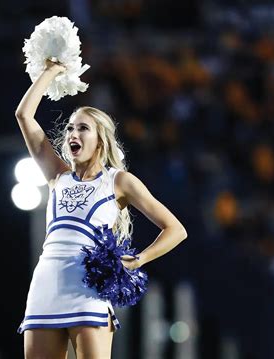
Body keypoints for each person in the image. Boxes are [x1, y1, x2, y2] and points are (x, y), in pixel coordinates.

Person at [15, 59, 188, 359]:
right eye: (70, 128)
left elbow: (176, 229)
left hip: (87, 290)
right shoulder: (57, 175)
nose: (73, 134)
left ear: (100, 140)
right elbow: (23, 115)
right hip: (45, 285)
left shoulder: (118, 181)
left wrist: (140, 259)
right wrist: (51, 71)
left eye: (83, 128)